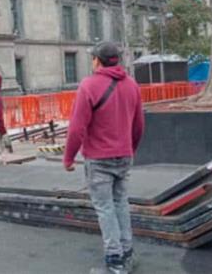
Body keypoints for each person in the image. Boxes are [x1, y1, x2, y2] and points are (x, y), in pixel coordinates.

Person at [63, 42, 144, 274]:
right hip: (124, 155)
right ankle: (127, 254)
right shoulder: (131, 85)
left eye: (93, 58)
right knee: (120, 203)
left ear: (98, 60)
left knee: (105, 208)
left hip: (99, 160)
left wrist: (68, 157)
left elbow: (77, 127)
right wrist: (130, 148)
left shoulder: (89, 85)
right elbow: (139, 125)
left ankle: (115, 261)